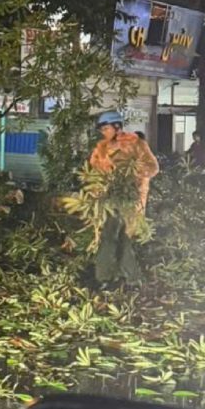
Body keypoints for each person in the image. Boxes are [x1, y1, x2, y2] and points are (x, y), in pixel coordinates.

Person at [88, 111, 159, 286]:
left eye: (106, 128)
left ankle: (131, 279)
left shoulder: (135, 143)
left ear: (117, 126)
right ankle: (104, 277)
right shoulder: (101, 148)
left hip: (132, 199)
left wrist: (130, 174)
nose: (104, 132)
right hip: (109, 199)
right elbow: (94, 171)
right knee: (108, 236)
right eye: (102, 130)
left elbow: (152, 167)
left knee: (126, 238)